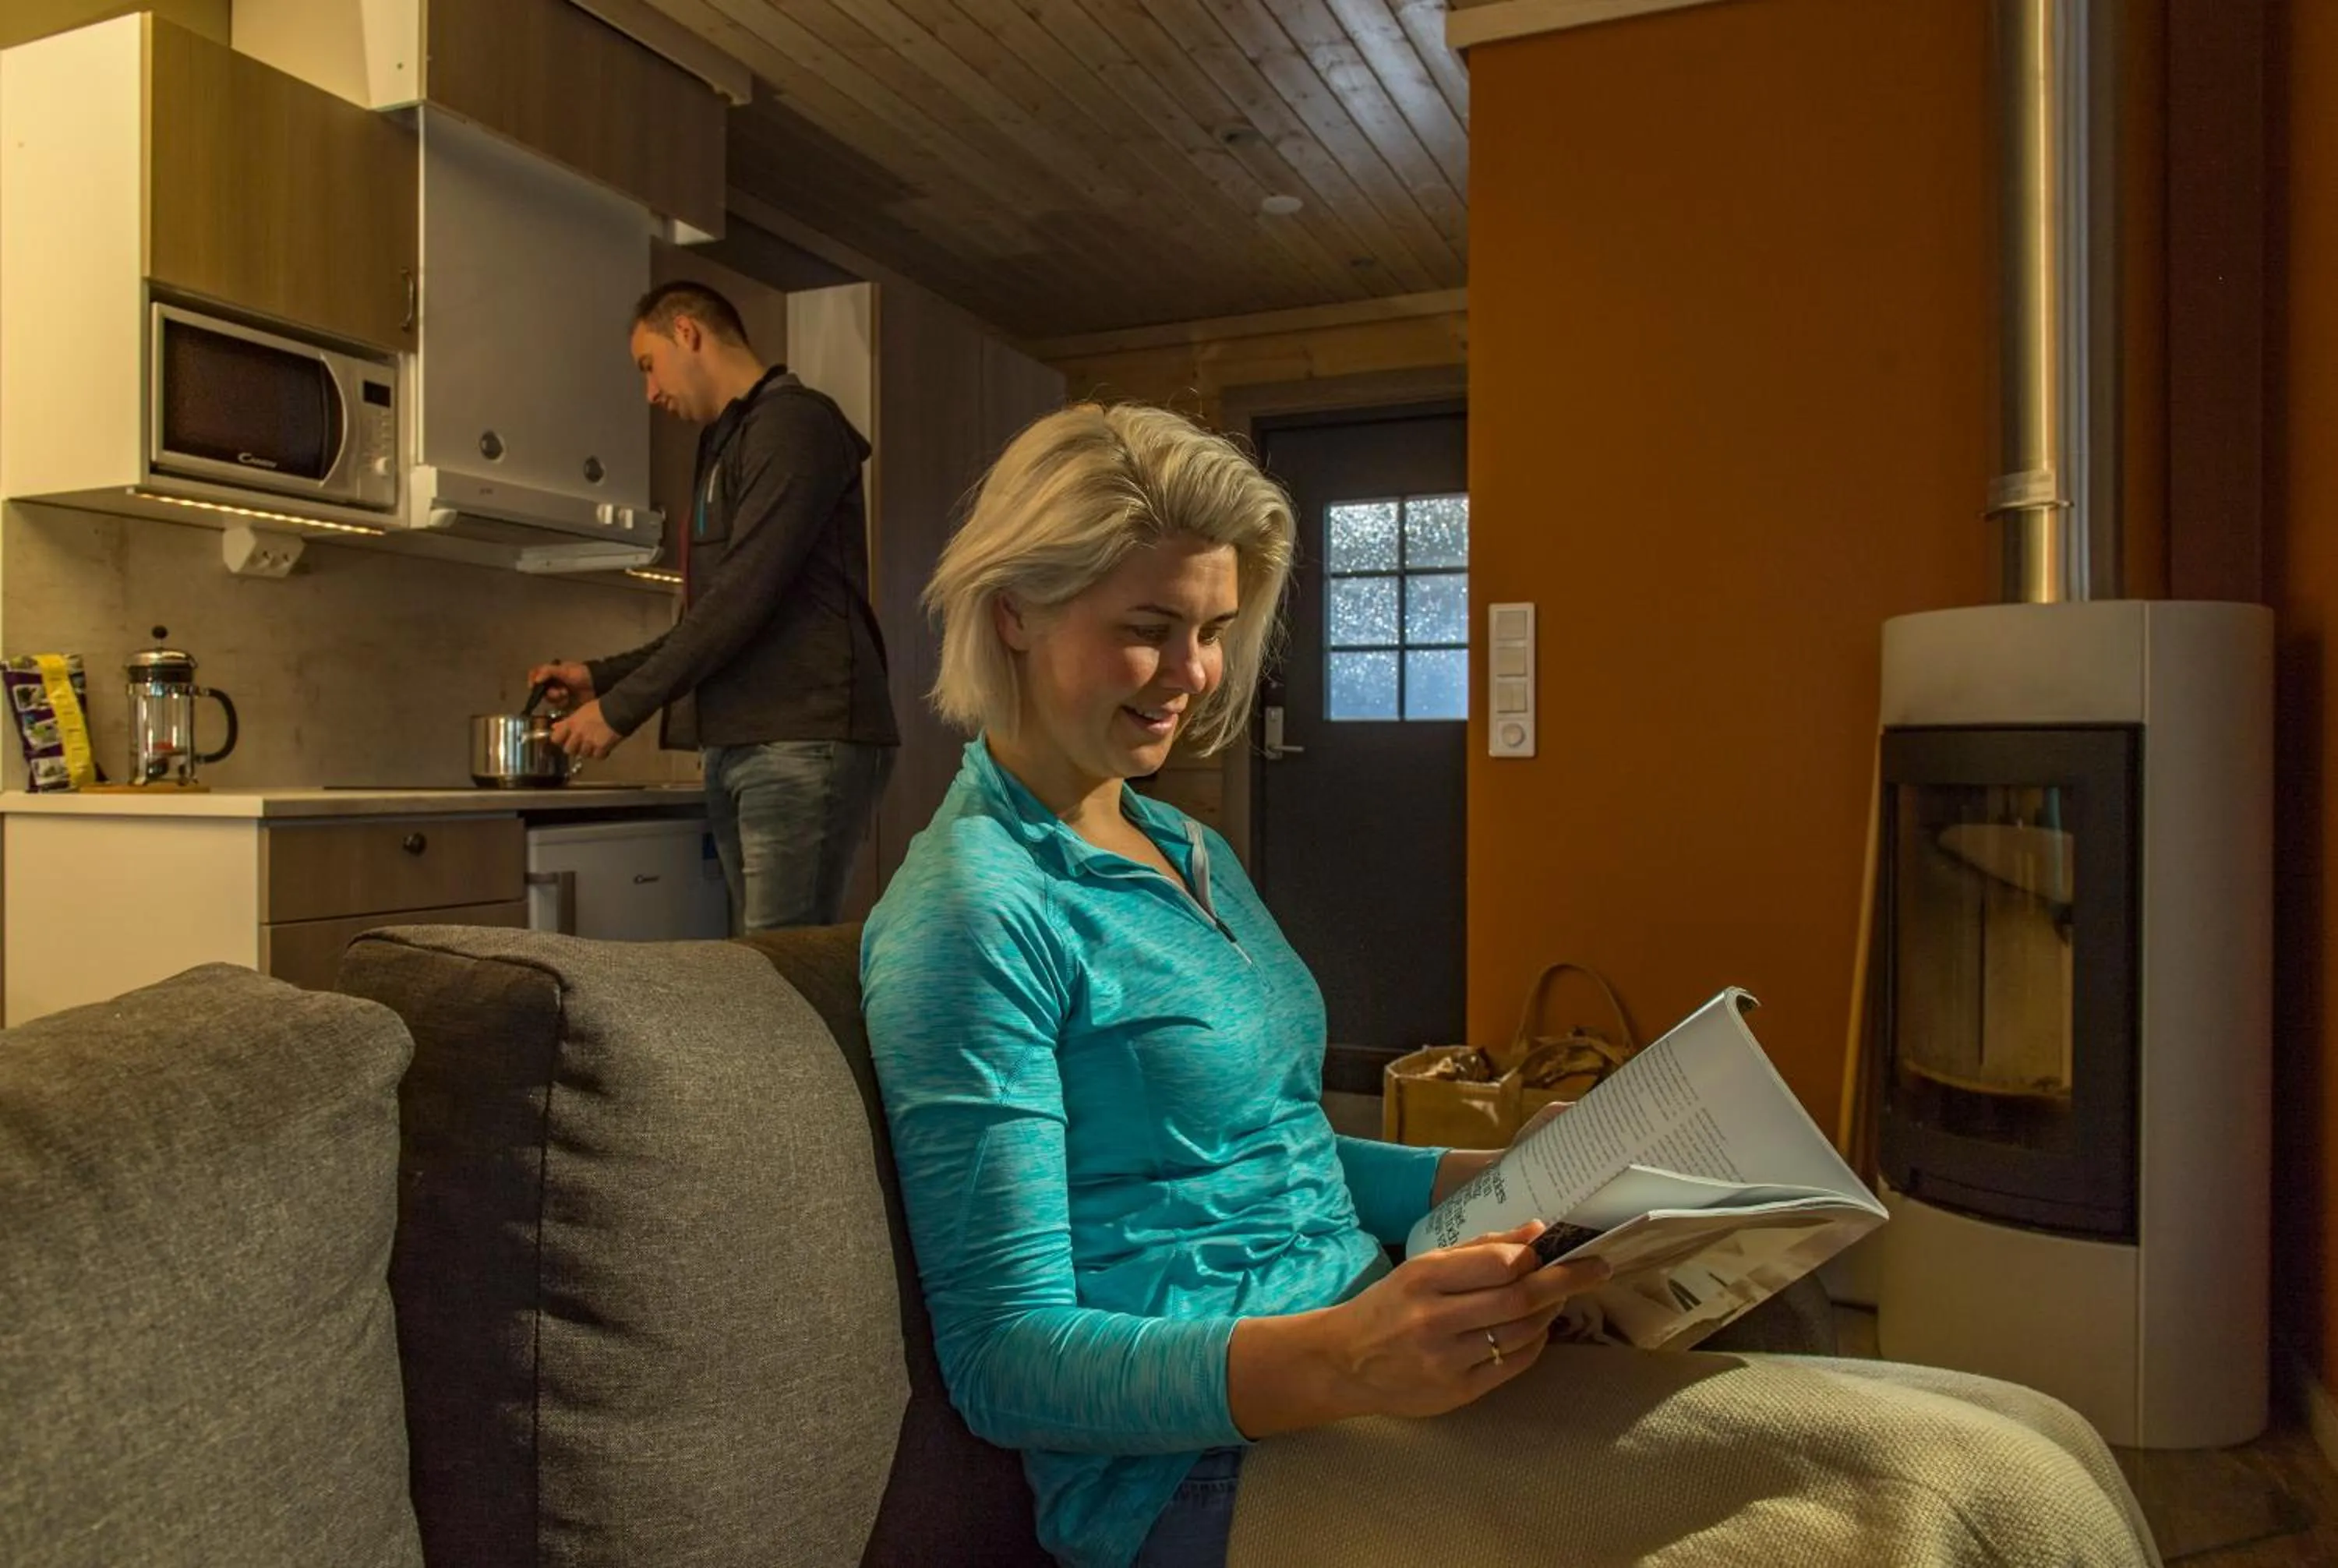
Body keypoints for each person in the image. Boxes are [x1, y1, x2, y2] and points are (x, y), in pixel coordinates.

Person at [860, 404, 2156, 1568]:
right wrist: (1350, 1356)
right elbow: (1006, 1364)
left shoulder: (1184, 844)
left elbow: (1271, 1144)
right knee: (1978, 1500)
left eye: (1210, 629)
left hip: (1371, 1356)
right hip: (1207, 1475)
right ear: (1014, 611)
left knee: (2031, 1427)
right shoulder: (976, 912)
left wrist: (1498, 1177)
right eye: (1147, 630)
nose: (1195, 677)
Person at [532, 281, 896, 931]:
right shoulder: (730, 442)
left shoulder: (795, 425)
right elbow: (713, 613)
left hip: (801, 738)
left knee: (782, 973)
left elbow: (742, 598)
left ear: (688, 333)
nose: (651, 394)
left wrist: (619, 710)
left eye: (649, 366)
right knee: (760, 971)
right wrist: (599, 676)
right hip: (748, 739)